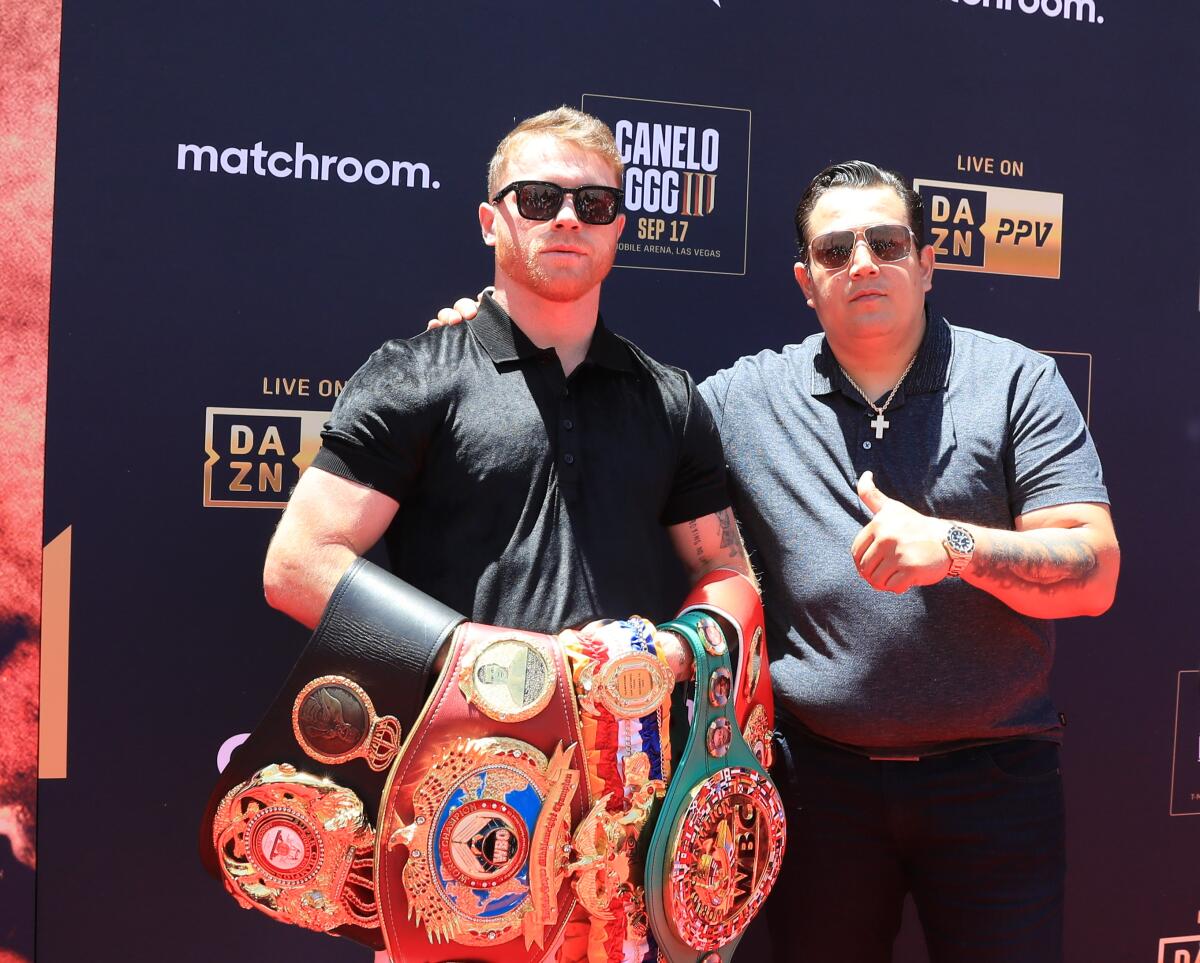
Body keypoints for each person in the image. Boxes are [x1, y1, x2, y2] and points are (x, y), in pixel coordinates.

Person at [434, 160, 1119, 962]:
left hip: (995, 781)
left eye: (887, 242)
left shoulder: (1014, 381)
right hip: (819, 786)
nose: (862, 263)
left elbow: (1095, 572)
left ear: (927, 263)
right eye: (835, 251)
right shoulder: (743, 399)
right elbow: (605, 410)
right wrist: (495, 343)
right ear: (805, 279)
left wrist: (953, 545)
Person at [263, 104, 751, 755]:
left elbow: (725, 568)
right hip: (454, 776)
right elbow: (298, 565)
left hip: (632, 775)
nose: (569, 217)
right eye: (540, 198)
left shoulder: (670, 396)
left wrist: (676, 649)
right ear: (492, 222)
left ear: (618, 230)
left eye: (595, 203)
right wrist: (494, 660)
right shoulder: (414, 373)